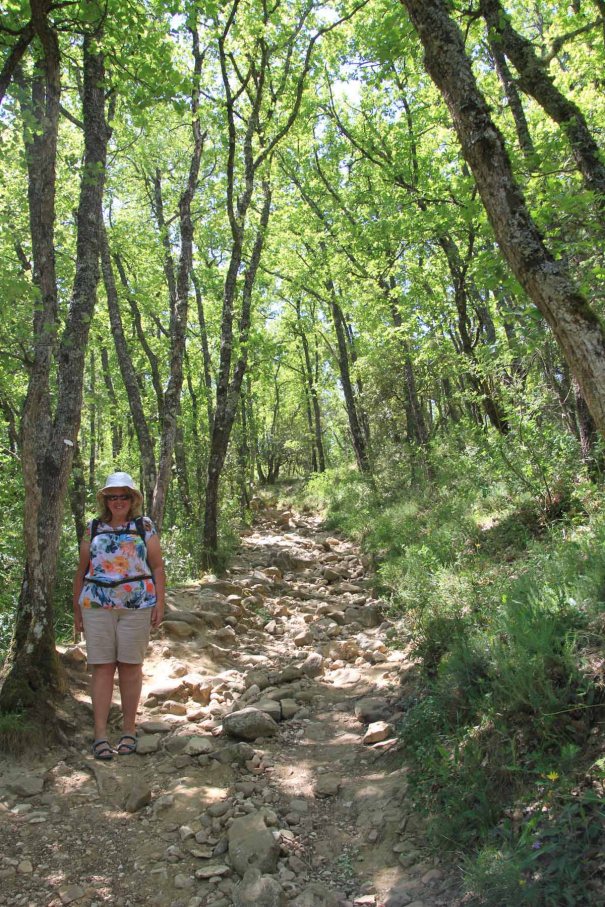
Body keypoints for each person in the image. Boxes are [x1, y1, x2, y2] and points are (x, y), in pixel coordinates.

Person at [73, 471, 165, 760]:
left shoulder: (143, 526)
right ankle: (100, 735)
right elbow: (81, 569)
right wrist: (76, 609)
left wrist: (160, 603)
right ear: (105, 500)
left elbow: (157, 566)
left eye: (123, 496)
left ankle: (129, 730)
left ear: (132, 498)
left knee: (130, 666)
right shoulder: (93, 527)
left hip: (137, 605)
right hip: (96, 605)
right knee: (101, 667)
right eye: (112, 496)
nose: (117, 501)